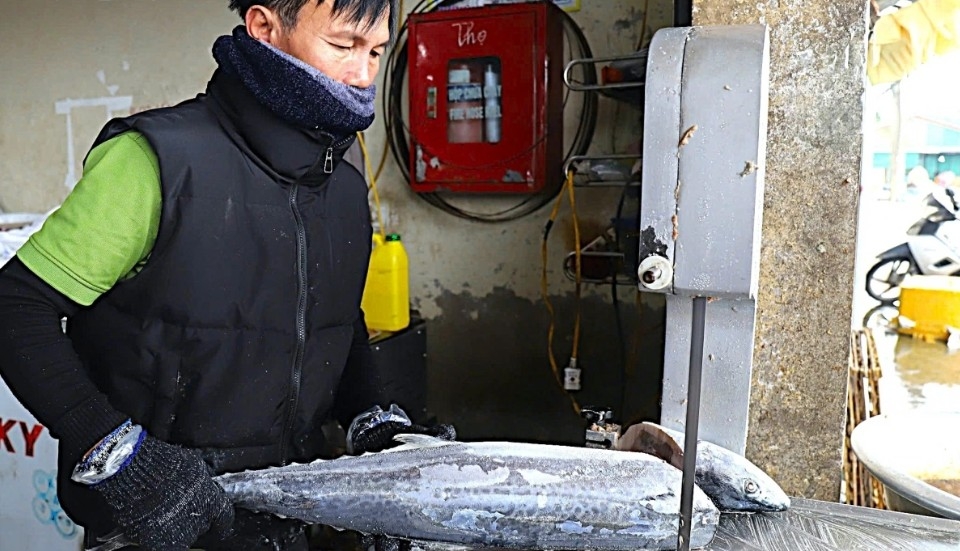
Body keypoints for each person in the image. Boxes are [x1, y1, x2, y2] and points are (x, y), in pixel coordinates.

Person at [0, 1, 409, 549]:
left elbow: (331, 318)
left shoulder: (341, 186)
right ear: (265, 28)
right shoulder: (156, 161)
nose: (362, 75)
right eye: (341, 46)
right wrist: (118, 453)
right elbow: (17, 307)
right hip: (155, 528)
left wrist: (374, 419)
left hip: (289, 525)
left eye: (376, 52)